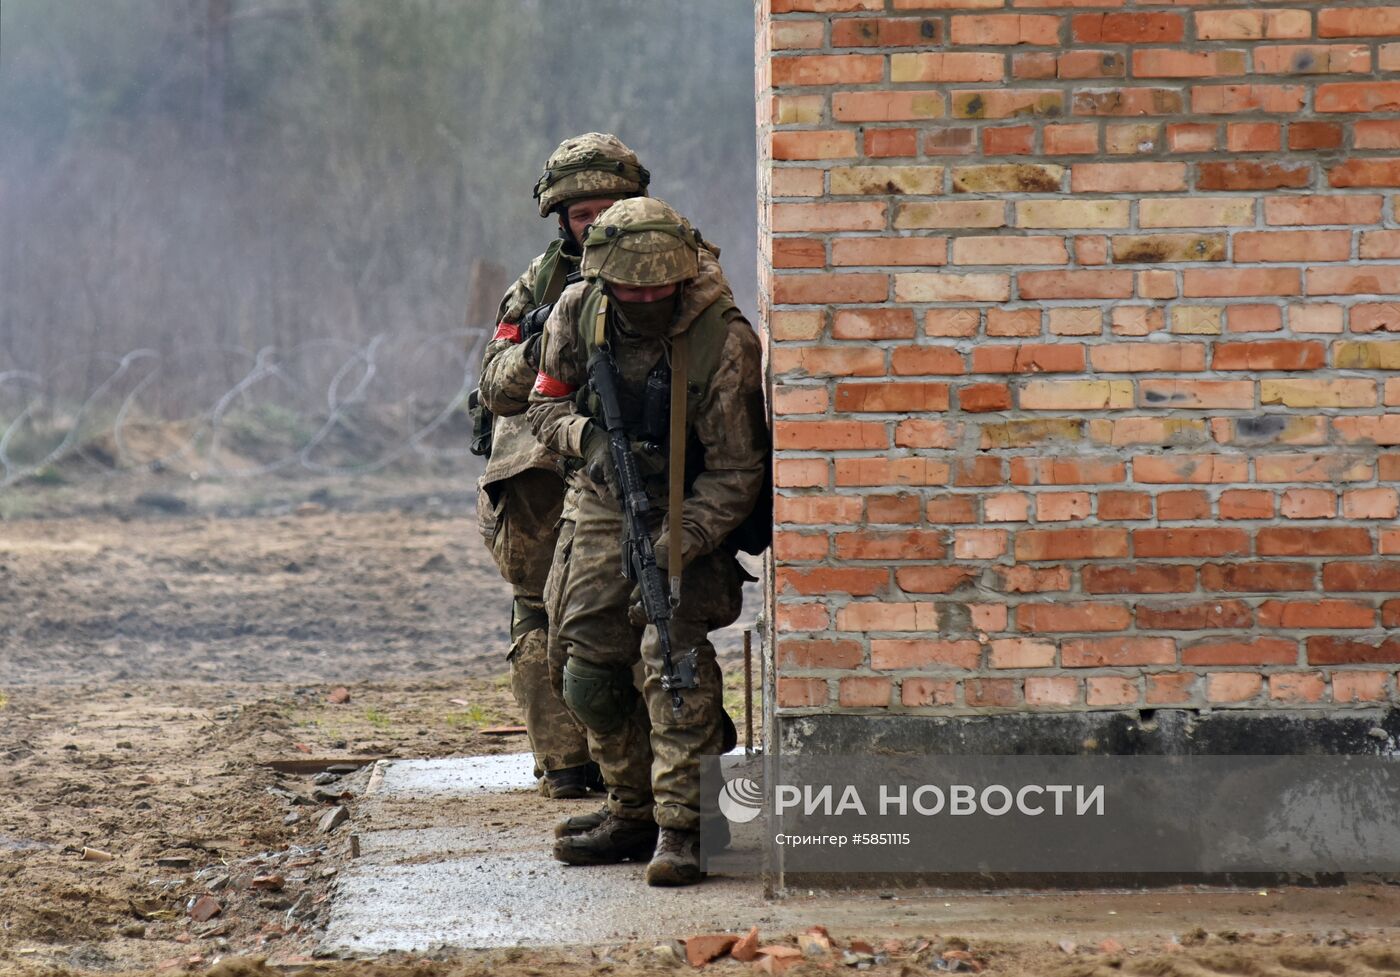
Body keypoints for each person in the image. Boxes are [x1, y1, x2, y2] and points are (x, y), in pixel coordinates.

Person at [527, 196, 767, 885]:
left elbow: (737, 470)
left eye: (658, 285)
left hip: (692, 507)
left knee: (674, 662)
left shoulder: (722, 339)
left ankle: (686, 825)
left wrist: (680, 540)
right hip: (603, 498)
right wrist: (589, 440)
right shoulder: (578, 311)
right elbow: (544, 404)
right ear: (604, 276)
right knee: (586, 666)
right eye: (630, 285)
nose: (644, 296)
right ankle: (631, 807)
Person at [472, 133, 650, 799]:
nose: (599, 225)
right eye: (583, 216)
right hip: (543, 470)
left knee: (631, 608)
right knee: (538, 610)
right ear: (562, 220)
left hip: (624, 463)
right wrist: (550, 347)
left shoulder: (671, 266)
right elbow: (495, 382)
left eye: (611, 208)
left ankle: (636, 764)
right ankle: (566, 760)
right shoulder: (542, 281)